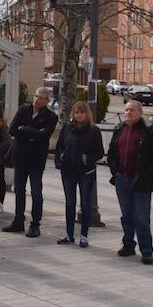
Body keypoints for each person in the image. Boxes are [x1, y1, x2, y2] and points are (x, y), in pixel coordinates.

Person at [107, 100, 153, 264]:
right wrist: (116, 172)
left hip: (141, 182)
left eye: (131, 110)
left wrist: (147, 174)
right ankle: (128, 245)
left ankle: (146, 251)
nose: (128, 113)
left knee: (141, 217)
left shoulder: (150, 131)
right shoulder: (119, 129)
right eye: (126, 110)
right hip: (122, 180)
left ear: (140, 113)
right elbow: (111, 153)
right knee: (126, 216)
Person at [2, 87, 58, 237]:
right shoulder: (23, 110)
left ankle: (35, 224)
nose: (36, 99)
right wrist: (33, 133)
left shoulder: (51, 116)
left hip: (36, 160)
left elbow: (44, 136)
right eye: (35, 96)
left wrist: (25, 130)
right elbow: (12, 130)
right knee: (19, 190)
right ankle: (18, 221)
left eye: (40, 98)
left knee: (35, 192)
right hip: (20, 157)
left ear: (47, 101)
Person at [54, 101, 104, 247]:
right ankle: (69, 234)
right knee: (70, 202)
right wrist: (60, 159)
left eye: (82, 112)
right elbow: (60, 146)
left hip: (86, 172)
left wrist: (87, 158)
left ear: (87, 113)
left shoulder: (94, 130)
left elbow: (99, 152)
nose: (79, 115)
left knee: (85, 203)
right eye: (76, 112)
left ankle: (84, 235)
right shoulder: (67, 127)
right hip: (68, 170)